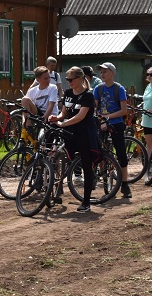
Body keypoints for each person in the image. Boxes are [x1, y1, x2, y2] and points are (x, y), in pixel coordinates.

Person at [49, 66, 99, 213]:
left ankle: (86, 201)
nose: (69, 82)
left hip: (85, 132)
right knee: (57, 150)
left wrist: (63, 123)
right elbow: (64, 113)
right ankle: (53, 186)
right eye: (67, 79)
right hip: (70, 130)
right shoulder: (69, 93)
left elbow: (80, 116)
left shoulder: (88, 95)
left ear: (80, 79)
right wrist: (56, 118)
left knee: (86, 164)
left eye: (71, 79)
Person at [93, 62, 131, 199]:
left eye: (105, 72)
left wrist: (108, 117)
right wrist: (99, 118)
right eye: (101, 72)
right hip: (101, 123)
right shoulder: (98, 88)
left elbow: (123, 110)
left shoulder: (118, 89)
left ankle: (125, 184)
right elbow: (94, 106)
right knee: (98, 151)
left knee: (121, 154)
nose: (102, 74)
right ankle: (100, 176)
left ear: (112, 74)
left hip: (116, 123)